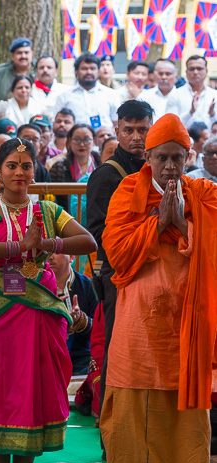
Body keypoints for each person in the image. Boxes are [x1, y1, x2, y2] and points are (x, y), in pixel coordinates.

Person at [0, 137, 96, 463]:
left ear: (34, 170)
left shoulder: (48, 211)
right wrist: (20, 248)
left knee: (33, 392)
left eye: (25, 165)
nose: (19, 172)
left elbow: (87, 241)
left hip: (38, 316)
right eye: (12, 165)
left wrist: (49, 245)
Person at [100, 113, 217, 463]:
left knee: (182, 409)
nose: (169, 166)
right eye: (161, 157)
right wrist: (157, 223)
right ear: (147, 157)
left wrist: (184, 222)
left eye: (177, 158)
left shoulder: (203, 193)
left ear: (189, 157)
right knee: (132, 405)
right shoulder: (127, 191)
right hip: (138, 320)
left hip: (186, 317)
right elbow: (116, 251)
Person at [84, 99, 153, 430]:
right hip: (119, 275)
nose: (136, 137)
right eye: (129, 130)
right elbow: (97, 233)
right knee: (118, 349)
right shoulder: (107, 175)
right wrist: (148, 231)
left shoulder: (158, 169)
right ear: (117, 130)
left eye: (143, 129)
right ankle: (112, 433)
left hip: (155, 273)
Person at [51, 253, 96, 376]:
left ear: (72, 256)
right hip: (48, 358)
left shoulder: (88, 286)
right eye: (46, 251)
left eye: (56, 251)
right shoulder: (39, 287)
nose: (50, 256)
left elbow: (101, 329)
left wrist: (82, 321)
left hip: (81, 362)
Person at [51, 53, 120, 132]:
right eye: (84, 69)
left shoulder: (111, 95)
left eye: (92, 68)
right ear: (76, 72)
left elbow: (117, 123)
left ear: (98, 71)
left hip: (104, 138)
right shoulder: (64, 96)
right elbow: (57, 122)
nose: (89, 72)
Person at [166, 55, 217, 128]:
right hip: (184, 135)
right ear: (186, 72)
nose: (195, 72)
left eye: (199, 68)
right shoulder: (175, 94)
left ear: (206, 71)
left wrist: (212, 114)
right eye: (192, 69)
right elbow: (170, 124)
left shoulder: (214, 95)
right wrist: (190, 112)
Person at [0, 38, 35, 103]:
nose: (23, 56)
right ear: (12, 56)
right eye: (19, 53)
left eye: (26, 52)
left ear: (32, 54)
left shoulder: (38, 74)